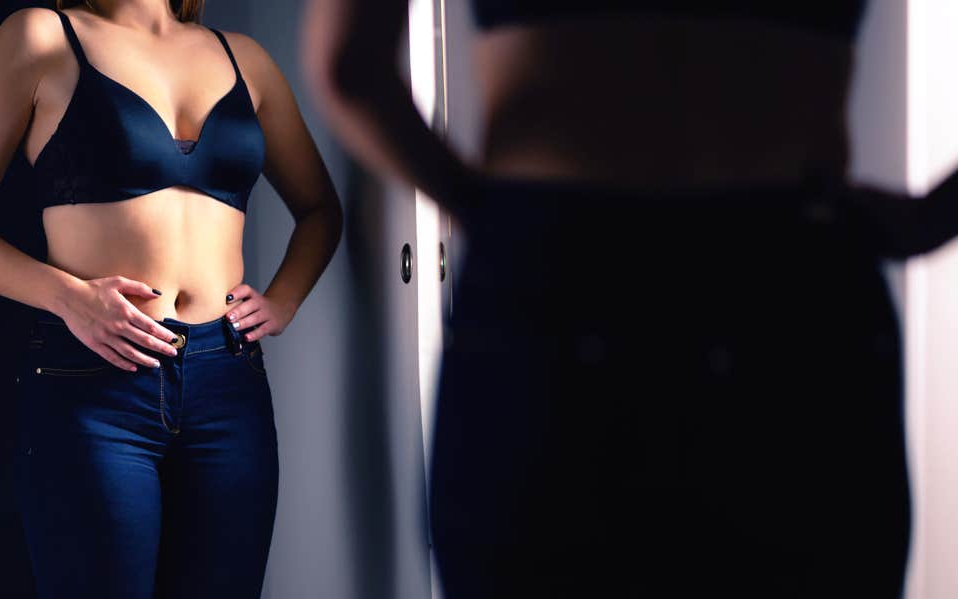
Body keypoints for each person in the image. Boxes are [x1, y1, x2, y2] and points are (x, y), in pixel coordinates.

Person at [302, 1, 958, 597]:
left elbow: (348, 67)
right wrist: (931, 217)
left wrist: (496, 215)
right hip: (793, 286)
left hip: (554, 280)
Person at [0, 0, 342, 597]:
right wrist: (67, 296)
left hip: (228, 383)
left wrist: (284, 301)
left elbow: (321, 210)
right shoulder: (41, 37)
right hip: (95, 387)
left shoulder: (244, 59)